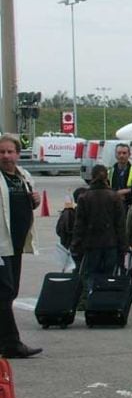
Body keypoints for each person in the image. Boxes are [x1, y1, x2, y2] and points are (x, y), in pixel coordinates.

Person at [0, 134, 42, 358]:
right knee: (4, 292)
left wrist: (35, 202)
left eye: (10, 151)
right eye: (2, 152)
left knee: (11, 291)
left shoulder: (23, 176)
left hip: (16, 244)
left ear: (17, 154)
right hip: (0, 245)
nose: (6, 156)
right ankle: (11, 343)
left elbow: (24, 207)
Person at [71, 164, 128, 292]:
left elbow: (79, 225)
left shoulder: (84, 197)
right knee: (108, 275)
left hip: (91, 244)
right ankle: (105, 301)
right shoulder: (114, 197)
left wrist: (75, 245)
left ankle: (91, 300)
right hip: (111, 243)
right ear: (106, 177)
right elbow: (120, 225)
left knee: (90, 274)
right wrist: (123, 245)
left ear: (92, 177)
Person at [55, 186, 88, 271]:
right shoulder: (87, 213)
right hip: (84, 248)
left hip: (73, 247)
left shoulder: (69, 213)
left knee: (77, 269)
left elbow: (59, 230)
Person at [108, 143, 132, 210]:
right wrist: (118, 194)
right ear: (115, 155)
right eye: (119, 153)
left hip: (130, 207)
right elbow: (106, 189)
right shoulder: (109, 172)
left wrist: (125, 193)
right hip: (113, 207)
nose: (121, 155)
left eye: (124, 153)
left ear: (129, 155)